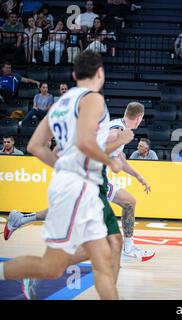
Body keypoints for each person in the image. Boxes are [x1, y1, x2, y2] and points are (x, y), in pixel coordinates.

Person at [0, 50, 123, 300]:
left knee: (101, 252)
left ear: (75, 74)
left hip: (70, 185)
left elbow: (35, 146)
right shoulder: (93, 99)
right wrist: (110, 160)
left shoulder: (59, 104)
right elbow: (86, 142)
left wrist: (63, 167)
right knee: (61, 263)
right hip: (78, 188)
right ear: (100, 73)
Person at [7, 102, 155, 263]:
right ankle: (123, 249)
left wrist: (138, 176)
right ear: (139, 118)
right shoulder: (117, 131)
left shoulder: (119, 127)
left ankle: (20, 219)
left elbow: (118, 156)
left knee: (127, 202)